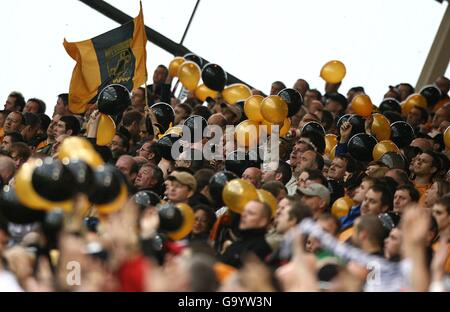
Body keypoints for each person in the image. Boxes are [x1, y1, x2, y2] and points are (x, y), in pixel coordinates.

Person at [219, 200, 272, 268]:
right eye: (244, 211)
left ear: (263, 221)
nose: (243, 215)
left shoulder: (260, 249)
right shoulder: (238, 243)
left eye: (250, 213)